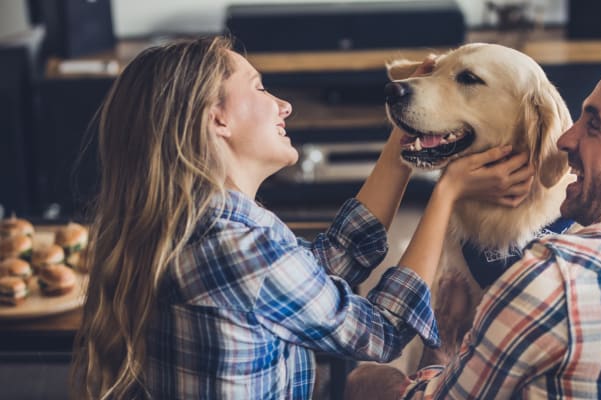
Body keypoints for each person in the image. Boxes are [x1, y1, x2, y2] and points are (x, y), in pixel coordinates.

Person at [70, 36, 536, 399]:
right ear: (217, 120)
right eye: (259, 88)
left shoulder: (203, 224)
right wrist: (446, 192)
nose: (283, 104)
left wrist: (406, 139)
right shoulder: (238, 250)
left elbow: (325, 266)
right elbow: (379, 332)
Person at [347, 36, 601, 399]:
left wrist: (437, 351)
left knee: (363, 381)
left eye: (593, 127)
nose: (564, 139)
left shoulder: (551, 279)